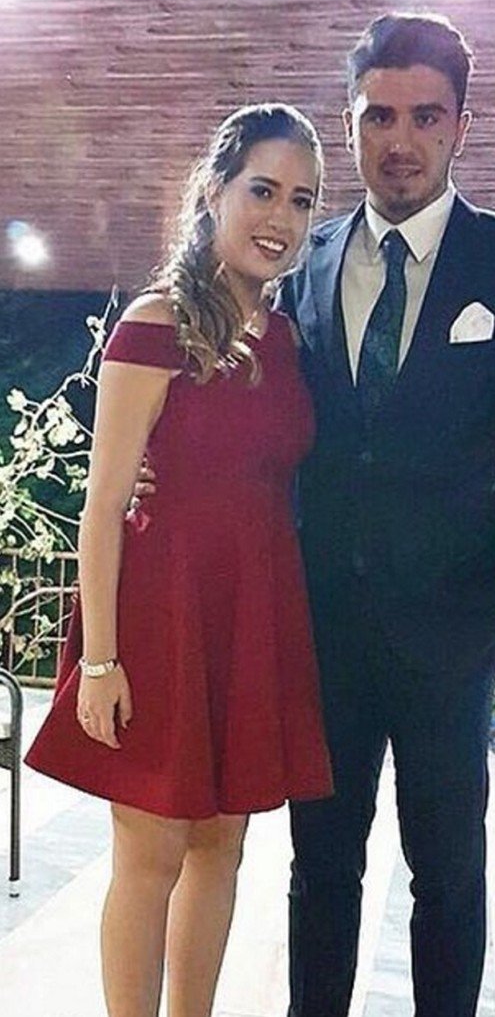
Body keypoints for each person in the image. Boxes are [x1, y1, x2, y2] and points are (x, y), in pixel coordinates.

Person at [277, 12, 495, 1017]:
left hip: (451, 633)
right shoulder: (305, 263)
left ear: (461, 124)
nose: (399, 140)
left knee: (447, 875)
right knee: (319, 866)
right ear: (350, 124)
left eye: (424, 115)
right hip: (325, 629)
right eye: (378, 116)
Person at [26, 103, 332, 1017]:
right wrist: (100, 662)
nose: (281, 218)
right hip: (161, 617)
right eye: (263, 191)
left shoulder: (287, 340)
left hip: (251, 614)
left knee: (221, 846)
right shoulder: (155, 325)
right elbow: (102, 507)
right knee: (151, 851)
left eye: (303, 201)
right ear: (215, 191)